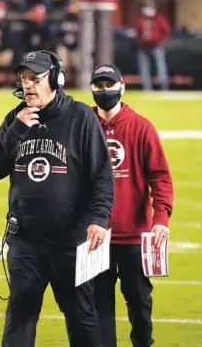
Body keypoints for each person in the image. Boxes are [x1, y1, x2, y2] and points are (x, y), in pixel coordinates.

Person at [0, 50, 115, 347]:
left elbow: (102, 177)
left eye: (35, 78)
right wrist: (16, 129)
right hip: (26, 240)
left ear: (55, 79)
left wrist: (99, 219)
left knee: (81, 318)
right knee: (20, 318)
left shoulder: (81, 118)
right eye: (24, 79)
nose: (28, 85)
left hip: (72, 241)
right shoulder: (15, 118)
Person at [90, 64, 173, 347]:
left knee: (139, 302)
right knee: (98, 304)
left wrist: (161, 217)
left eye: (109, 85)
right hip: (95, 235)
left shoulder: (140, 127)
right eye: (98, 86)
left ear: (122, 87)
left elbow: (160, 177)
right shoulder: (85, 125)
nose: (104, 91)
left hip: (135, 236)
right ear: (91, 89)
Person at [135, 0, 171, 91]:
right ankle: (147, 88)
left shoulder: (159, 19)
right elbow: (137, 32)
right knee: (144, 68)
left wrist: (161, 42)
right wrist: (139, 41)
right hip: (143, 47)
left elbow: (166, 31)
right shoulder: (140, 20)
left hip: (156, 47)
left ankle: (164, 87)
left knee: (161, 67)